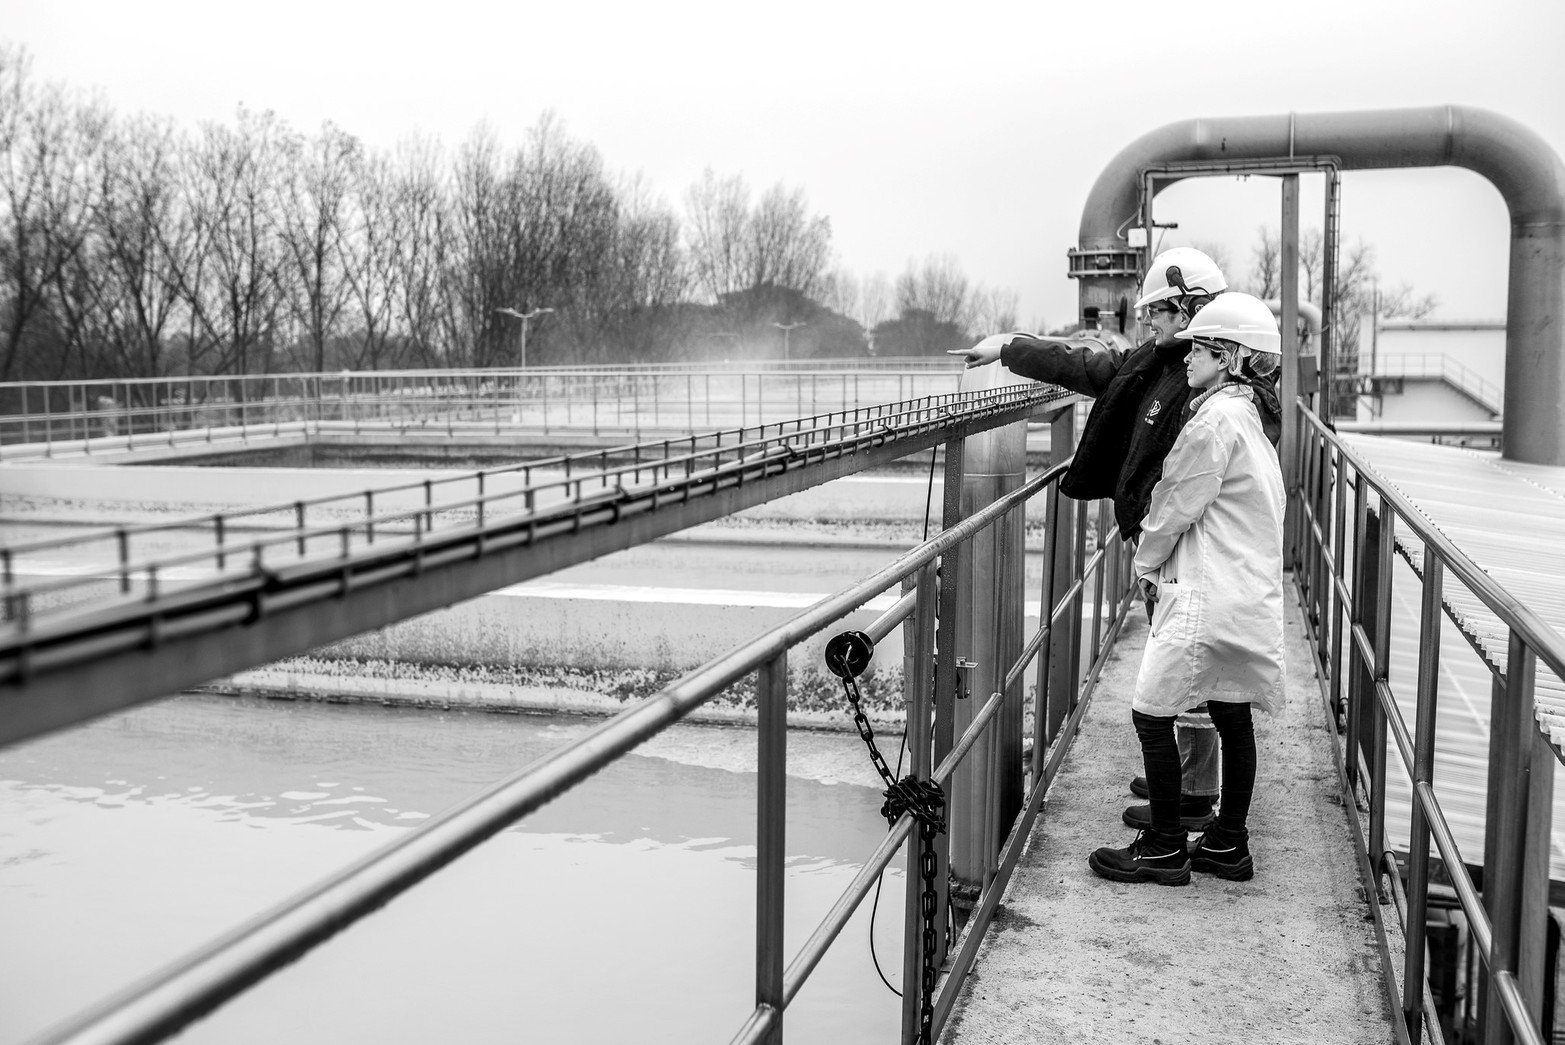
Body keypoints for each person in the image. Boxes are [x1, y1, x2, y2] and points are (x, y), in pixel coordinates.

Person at [949, 247, 1277, 832]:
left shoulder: (1198, 388)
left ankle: (1187, 810)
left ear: (1191, 314)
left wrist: (1149, 556)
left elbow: (1185, 488)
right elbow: (1094, 368)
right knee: (1204, 688)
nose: (1148, 321)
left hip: (1185, 556)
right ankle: (1195, 800)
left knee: (1190, 690)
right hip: (1185, 554)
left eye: (1157, 311)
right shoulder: (1170, 368)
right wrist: (1009, 347)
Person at [1086, 292, 1287, 886]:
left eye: (1199, 345)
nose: (1187, 355)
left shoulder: (1213, 421)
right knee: (1230, 711)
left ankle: (1167, 846)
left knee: (1150, 711)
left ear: (1227, 357)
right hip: (1241, 590)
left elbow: (1174, 505)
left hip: (1207, 592)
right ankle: (1228, 843)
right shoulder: (1247, 418)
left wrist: (1145, 563)